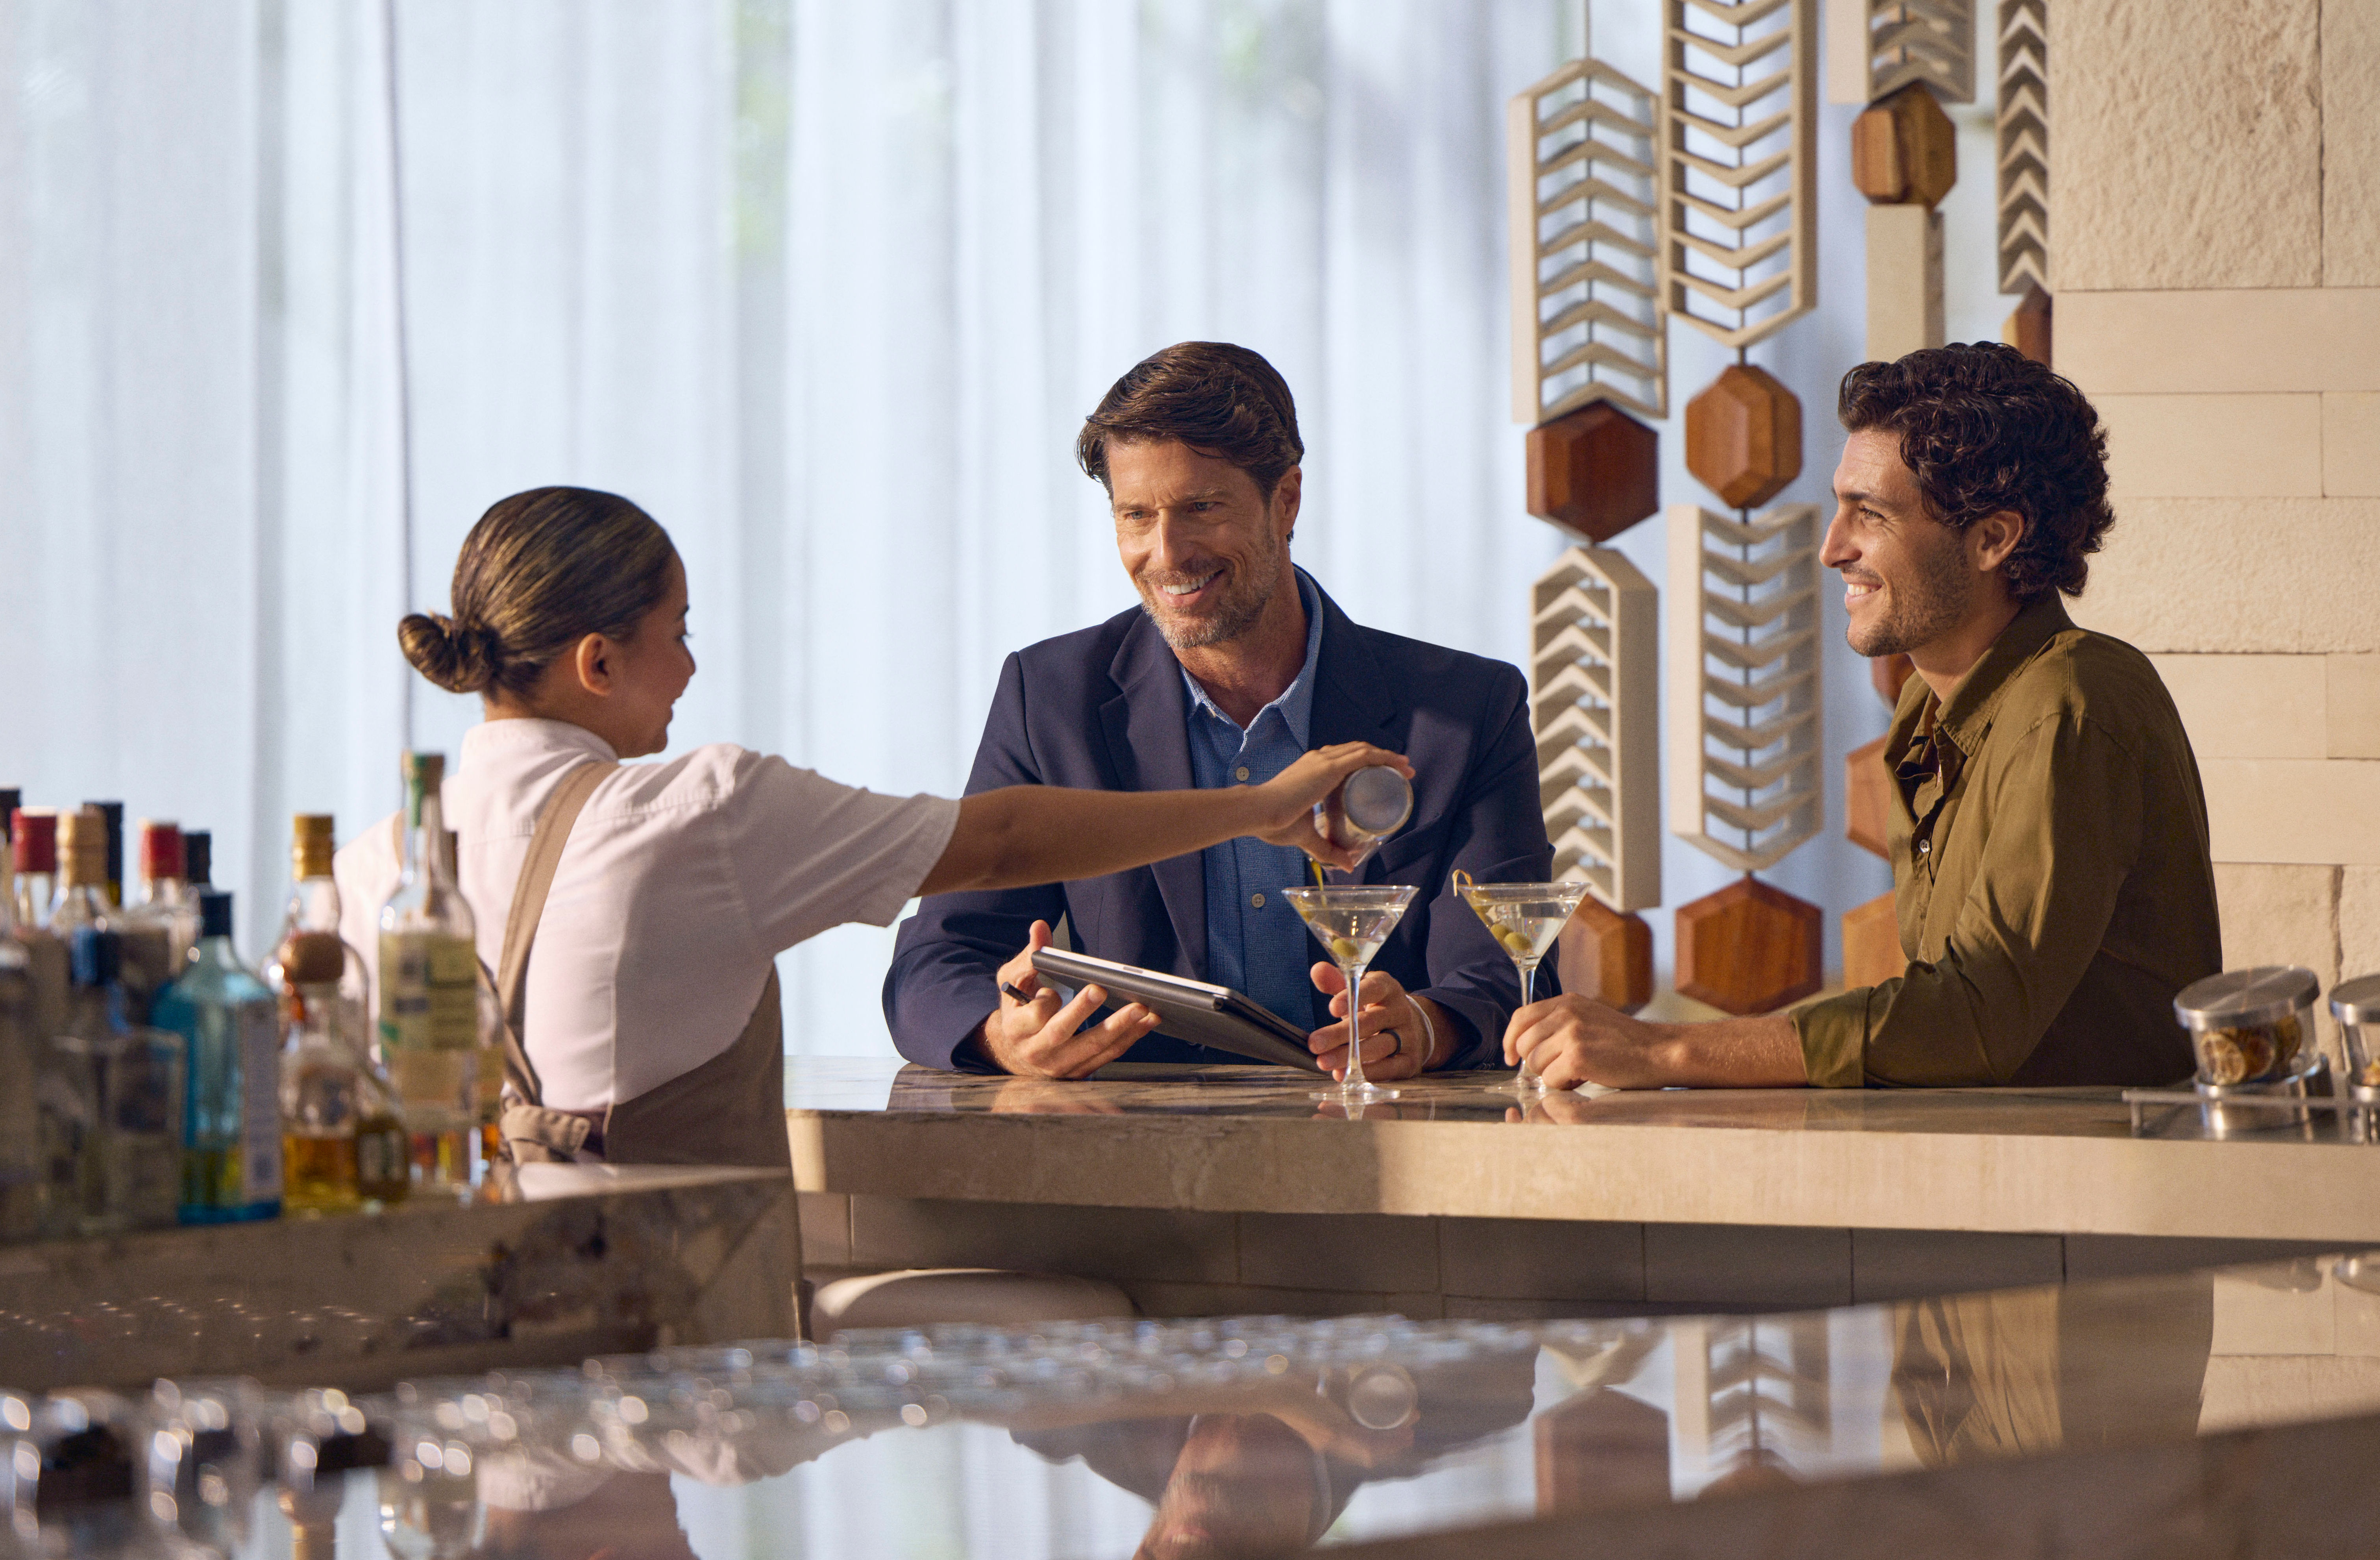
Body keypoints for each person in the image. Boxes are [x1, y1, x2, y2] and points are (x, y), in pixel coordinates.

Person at [335, 485, 1399, 1168]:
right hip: (670, 1330)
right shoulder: (697, 811)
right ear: (597, 664)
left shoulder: (367, 868)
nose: (693, 667)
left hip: (467, 1331)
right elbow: (999, 843)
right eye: (678, 632)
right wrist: (1263, 805)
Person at [1504, 341, 2221, 1090]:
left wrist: (1662, 1052)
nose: (1830, 549)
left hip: (2096, 1178)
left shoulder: (2071, 699)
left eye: (1869, 515)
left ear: (1992, 538)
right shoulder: (1923, 704)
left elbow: (1975, 1018)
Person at [884, 342, 1553, 1081]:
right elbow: (937, 958)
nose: (1165, 553)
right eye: (1135, 515)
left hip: (1392, 1143)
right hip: (1132, 1154)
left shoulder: (1466, 710)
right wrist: (999, 1037)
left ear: (1286, 500)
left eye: (1201, 508)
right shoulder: (1049, 697)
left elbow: (1511, 975)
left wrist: (1427, 1028)